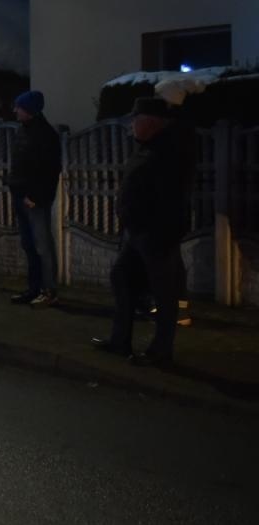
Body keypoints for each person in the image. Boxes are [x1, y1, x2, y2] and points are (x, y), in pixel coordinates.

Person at [91, 96, 192, 366]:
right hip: (137, 232)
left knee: (164, 293)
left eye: (135, 120)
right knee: (121, 278)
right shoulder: (147, 148)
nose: (131, 125)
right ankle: (120, 340)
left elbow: (170, 198)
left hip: (156, 233)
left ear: (152, 122)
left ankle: (161, 352)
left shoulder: (169, 151)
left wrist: (159, 231)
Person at [7, 89, 62, 306]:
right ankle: (34, 288)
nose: (15, 111)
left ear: (29, 110)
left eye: (19, 107)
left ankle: (49, 290)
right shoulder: (24, 131)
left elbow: (49, 171)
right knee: (29, 245)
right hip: (21, 195)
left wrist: (36, 197)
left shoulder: (45, 135)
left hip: (34, 199)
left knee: (42, 245)